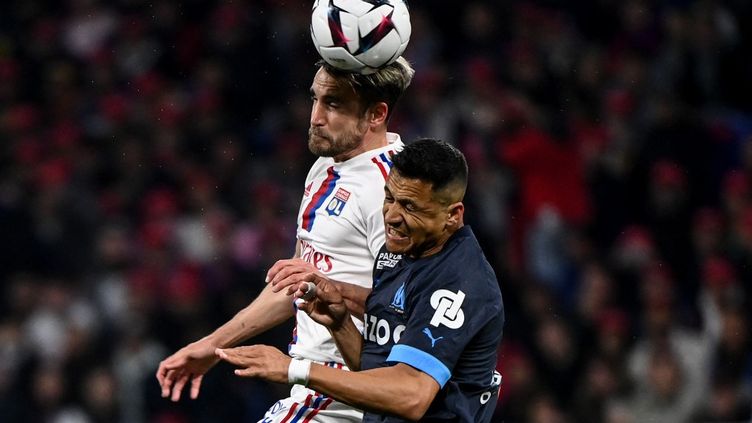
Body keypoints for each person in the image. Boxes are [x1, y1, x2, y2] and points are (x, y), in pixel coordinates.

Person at [156, 57, 415, 422]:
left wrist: (329, 290)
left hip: (347, 394)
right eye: (315, 99)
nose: (315, 117)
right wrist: (212, 346)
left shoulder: (391, 189)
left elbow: (409, 309)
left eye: (334, 104)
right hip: (316, 387)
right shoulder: (326, 166)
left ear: (376, 114)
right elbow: (294, 284)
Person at [216, 139, 505, 422]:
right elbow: (374, 371)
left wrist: (293, 369)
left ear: (452, 216)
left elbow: (411, 396)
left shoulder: (461, 282)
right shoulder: (401, 251)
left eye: (410, 207)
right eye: (389, 198)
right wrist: (341, 323)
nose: (392, 216)